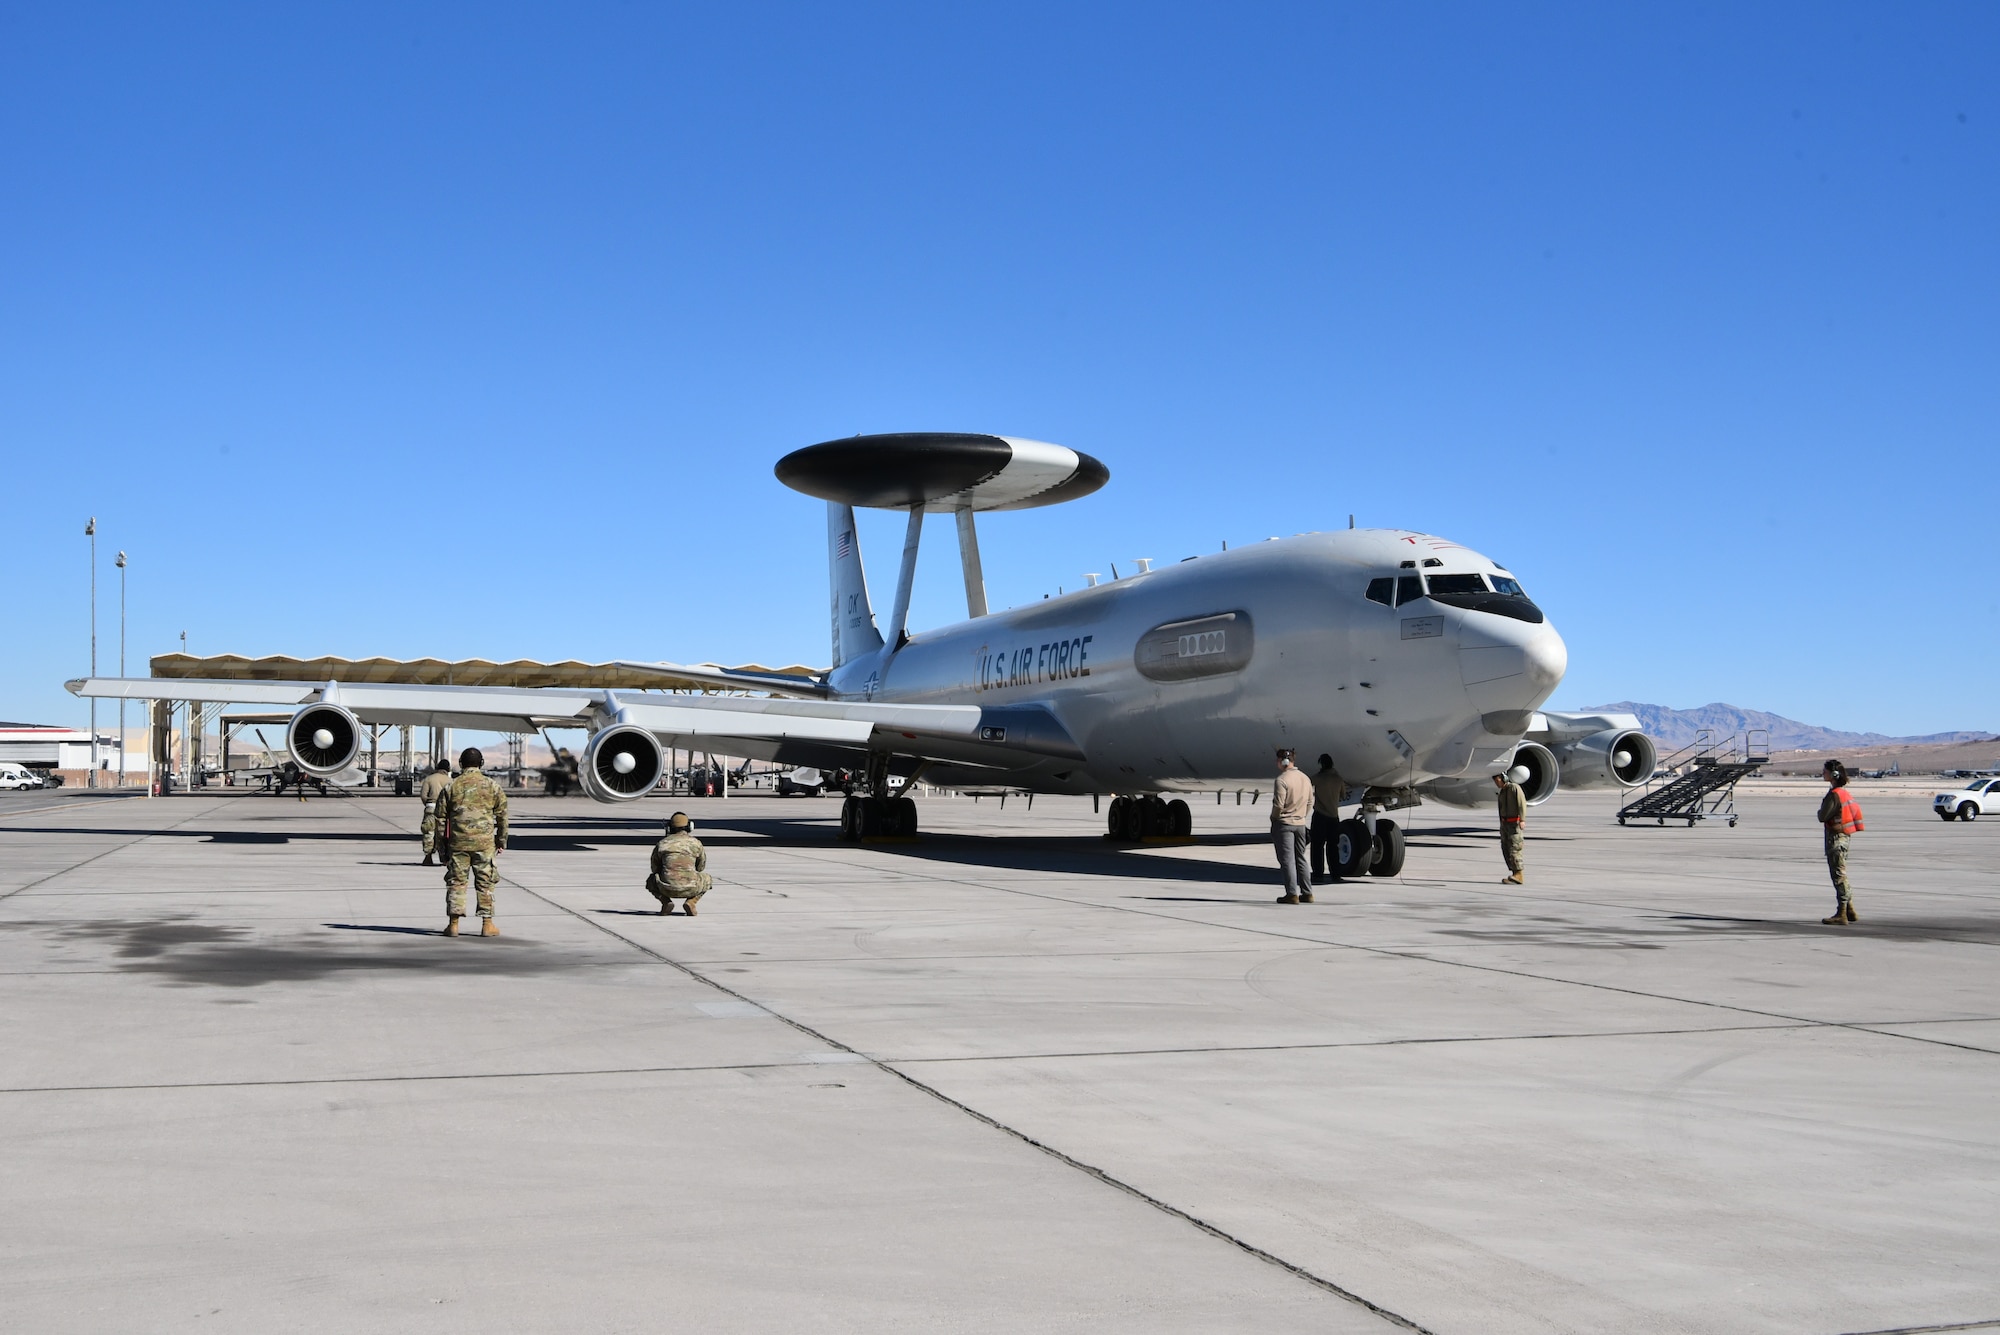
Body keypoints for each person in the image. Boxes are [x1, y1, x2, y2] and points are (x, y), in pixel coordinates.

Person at [438, 747, 508, 937]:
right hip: (484, 844)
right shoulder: (493, 786)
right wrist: (501, 841)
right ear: (482, 763)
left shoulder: (450, 787)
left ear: (460, 764)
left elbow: (440, 820)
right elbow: (502, 817)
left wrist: (441, 849)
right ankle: (487, 924)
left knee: (457, 882)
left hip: (458, 843)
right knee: (485, 882)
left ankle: (453, 924)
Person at [1817, 760, 1864, 925]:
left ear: (1833, 774)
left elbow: (1822, 816)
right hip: (1843, 837)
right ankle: (1849, 909)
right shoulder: (1844, 793)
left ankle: (1842, 913)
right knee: (1841, 873)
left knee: (1838, 875)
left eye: (1825, 771)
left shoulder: (1835, 794)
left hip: (1836, 838)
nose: (1823, 774)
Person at [1271, 748, 1314, 903]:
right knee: (1301, 858)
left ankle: (1291, 893)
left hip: (1285, 824)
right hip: (1300, 823)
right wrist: (1301, 815)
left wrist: (1274, 818)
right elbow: (1310, 802)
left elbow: (1278, 805)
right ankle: (1307, 892)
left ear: (1283, 762)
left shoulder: (1282, 780)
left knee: (1287, 860)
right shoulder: (1305, 778)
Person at [648, 812, 712, 916]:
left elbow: (654, 868)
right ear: (690, 827)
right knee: (708, 879)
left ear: (669, 828)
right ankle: (691, 902)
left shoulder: (663, 843)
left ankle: (666, 902)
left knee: (651, 880)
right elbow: (700, 867)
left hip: (666, 888)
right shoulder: (696, 843)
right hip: (691, 887)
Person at [1308, 753, 1347, 879]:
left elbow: (1307, 783)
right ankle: (1335, 873)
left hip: (1320, 815)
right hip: (1333, 816)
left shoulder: (1319, 778)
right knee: (1333, 847)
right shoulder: (1338, 779)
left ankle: (1318, 873)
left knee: (1317, 846)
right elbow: (1343, 795)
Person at [1494, 767, 1527, 884]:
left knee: (1514, 848)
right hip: (1505, 824)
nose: (1496, 782)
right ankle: (1514, 873)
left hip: (1514, 824)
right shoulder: (1502, 791)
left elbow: (1521, 803)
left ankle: (1519, 874)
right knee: (1506, 848)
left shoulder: (1514, 788)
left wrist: (1522, 819)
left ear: (1503, 778)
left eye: (1497, 779)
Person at [418, 759, 453, 866]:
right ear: (448, 769)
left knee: (429, 833)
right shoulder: (450, 781)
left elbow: (424, 796)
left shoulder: (428, 779)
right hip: (445, 810)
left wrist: (429, 805)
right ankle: (444, 858)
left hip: (431, 807)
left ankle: (428, 856)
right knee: (443, 835)